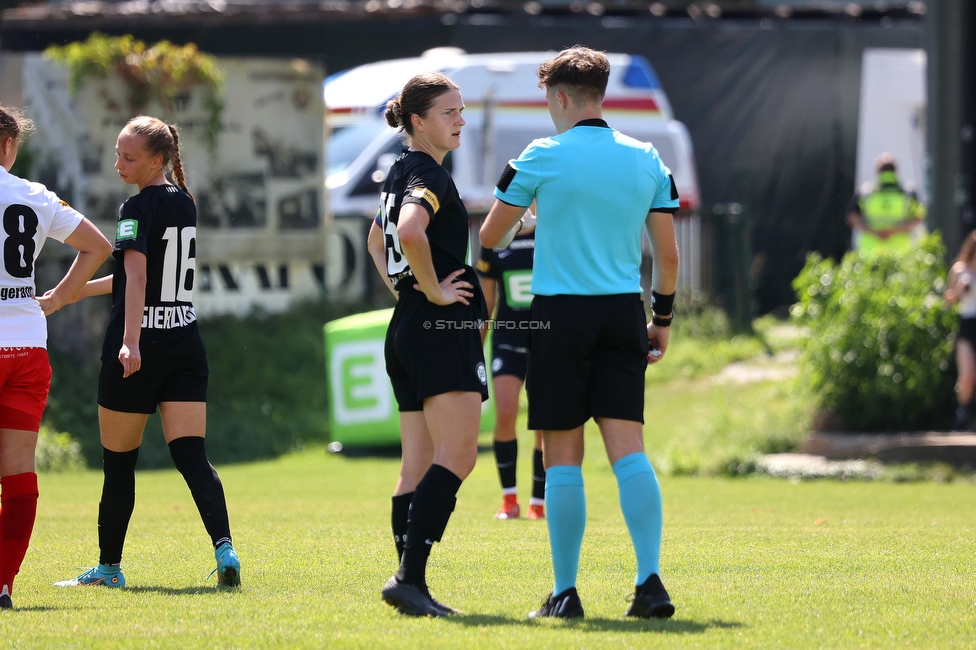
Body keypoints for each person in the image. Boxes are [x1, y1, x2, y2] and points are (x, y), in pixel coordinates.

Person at [480, 46, 680, 620]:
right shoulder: (646, 158)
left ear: (560, 97)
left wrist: (533, 214)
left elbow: (492, 238)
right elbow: (666, 257)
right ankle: (649, 583)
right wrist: (661, 320)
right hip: (621, 313)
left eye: (548, 99)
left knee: (562, 456)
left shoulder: (541, 155)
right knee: (630, 453)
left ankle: (565, 593)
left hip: (558, 316)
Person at [54, 116, 241, 589]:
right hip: (185, 344)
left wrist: (130, 340)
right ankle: (225, 549)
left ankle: (110, 569)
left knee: (119, 465)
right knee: (192, 456)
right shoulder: (184, 202)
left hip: (137, 352)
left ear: (157, 160)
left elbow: (137, 279)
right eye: (117, 153)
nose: (118, 163)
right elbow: (139, 275)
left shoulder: (134, 207)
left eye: (129, 157)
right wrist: (77, 292)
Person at [365, 72, 488, 617]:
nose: (460, 120)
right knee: (458, 455)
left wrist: (408, 290)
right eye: (449, 113)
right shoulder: (429, 176)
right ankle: (409, 579)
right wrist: (435, 289)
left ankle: (408, 580)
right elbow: (410, 233)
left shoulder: (398, 172)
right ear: (418, 121)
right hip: (440, 328)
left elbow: (377, 238)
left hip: (407, 326)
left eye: (461, 111)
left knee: (415, 464)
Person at [0, 106, 112, 610]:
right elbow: (98, 246)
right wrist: (61, 297)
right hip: (27, 344)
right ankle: (2, 584)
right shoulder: (34, 195)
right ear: (8, 145)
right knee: (19, 469)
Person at [476, 205, 545, 520]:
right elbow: (487, 303)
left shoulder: (553, 235)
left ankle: (539, 502)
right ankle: (508, 501)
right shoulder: (494, 240)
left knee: (544, 422)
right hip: (507, 338)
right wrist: (474, 347)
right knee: (505, 412)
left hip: (546, 340)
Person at [846, 153, 926, 256]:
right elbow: (919, 218)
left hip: (870, 252)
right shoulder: (908, 192)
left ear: (878, 171)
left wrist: (873, 231)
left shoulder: (865, 191)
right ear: (896, 171)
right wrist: (895, 230)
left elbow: (852, 217)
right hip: (900, 252)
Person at [944, 231, 976, 431]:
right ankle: (962, 413)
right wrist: (957, 291)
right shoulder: (960, 268)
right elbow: (947, 299)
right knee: (966, 376)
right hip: (966, 324)